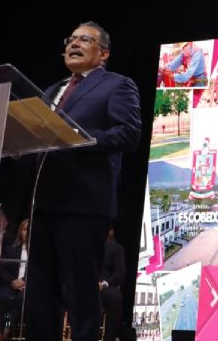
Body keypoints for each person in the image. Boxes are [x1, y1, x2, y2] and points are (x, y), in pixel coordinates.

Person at [27, 21, 142, 341]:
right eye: (71, 39)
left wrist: (80, 139)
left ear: (103, 53)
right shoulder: (52, 90)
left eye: (85, 40)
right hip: (44, 202)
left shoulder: (117, 85)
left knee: (80, 291)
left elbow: (129, 133)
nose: (74, 44)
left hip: (84, 202)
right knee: (40, 291)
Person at [0, 220, 30, 341]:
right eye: (24, 230)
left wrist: (24, 281)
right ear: (20, 232)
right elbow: (1, 269)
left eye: (29, 230)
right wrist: (13, 281)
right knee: (2, 297)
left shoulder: (39, 253)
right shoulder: (11, 248)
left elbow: (40, 271)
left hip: (27, 287)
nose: (26, 233)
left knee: (20, 299)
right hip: (11, 285)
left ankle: (7, 333)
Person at [99, 226, 125, 341]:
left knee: (115, 298)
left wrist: (103, 284)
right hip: (83, 285)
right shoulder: (86, 245)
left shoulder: (116, 249)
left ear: (111, 232)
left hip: (104, 287)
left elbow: (119, 274)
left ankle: (108, 338)